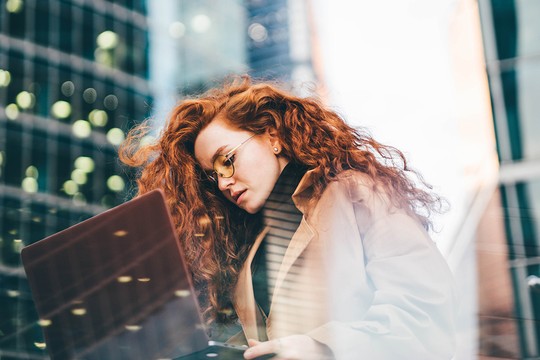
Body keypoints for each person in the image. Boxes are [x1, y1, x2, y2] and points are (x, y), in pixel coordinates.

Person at [119, 76, 457, 360]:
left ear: (273, 136)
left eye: (226, 161)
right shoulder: (248, 254)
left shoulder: (354, 192)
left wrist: (320, 348)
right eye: (212, 176)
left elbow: (425, 313)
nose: (223, 182)